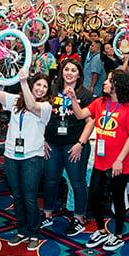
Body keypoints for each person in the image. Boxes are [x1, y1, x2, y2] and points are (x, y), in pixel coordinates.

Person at [0, 62, 52, 251]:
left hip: (32, 157)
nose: (41, 89)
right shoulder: (16, 100)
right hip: (11, 155)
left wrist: (23, 82)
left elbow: (32, 105)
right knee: (17, 196)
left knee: (30, 197)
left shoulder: (46, 106)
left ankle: (34, 233)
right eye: (38, 84)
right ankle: (21, 230)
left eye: (44, 86)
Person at [65, 69, 129, 251]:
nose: (105, 83)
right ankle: (101, 230)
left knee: (117, 199)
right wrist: (73, 99)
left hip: (119, 163)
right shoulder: (100, 102)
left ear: (117, 85)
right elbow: (80, 115)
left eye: (108, 80)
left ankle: (118, 235)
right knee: (94, 196)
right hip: (101, 160)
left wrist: (120, 160)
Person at [41, 58, 95, 236]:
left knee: (77, 182)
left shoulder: (86, 94)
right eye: (66, 69)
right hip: (53, 144)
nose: (69, 73)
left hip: (74, 145)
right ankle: (47, 215)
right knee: (50, 180)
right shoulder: (52, 89)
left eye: (73, 70)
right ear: (61, 71)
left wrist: (81, 143)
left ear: (79, 74)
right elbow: (40, 114)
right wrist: (42, 139)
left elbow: (90, 122)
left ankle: (79, 218)